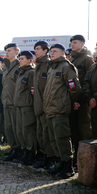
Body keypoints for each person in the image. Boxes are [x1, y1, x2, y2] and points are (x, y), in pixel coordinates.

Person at [43, 43, 81, 178]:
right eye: (51, 51)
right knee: (54, 139)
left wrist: (68, 102)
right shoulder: (52, 67)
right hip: (50, 108)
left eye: (55, 51)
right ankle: (60, 162)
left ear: (62, 53)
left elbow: (74, 88)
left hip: (60, 109)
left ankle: (68, 166)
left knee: (62, 138)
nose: (51, 53)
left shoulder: (66, 67)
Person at [68, 35, 94, 161]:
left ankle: (86, 158)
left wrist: (86, 98)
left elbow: (89, 80)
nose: (72, 45)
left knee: (84, 128)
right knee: (74, 129)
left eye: (75, 42)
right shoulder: (71, 60)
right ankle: (77, 156)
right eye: (71, 43)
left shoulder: (87, 59)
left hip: (83, 101)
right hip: (73, 101)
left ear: (82, 44)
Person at [32, 41, 56, 169]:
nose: (35, 51)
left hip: (46, 106)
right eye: (35, 49)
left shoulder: (48, 64)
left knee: (47, 133)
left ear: (45, 51)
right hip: (38, 105)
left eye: (38, 49)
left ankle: (50, 158)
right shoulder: (38, 65)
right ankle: (44, 156)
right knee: (41, 133)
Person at [13, 51, 36, 165]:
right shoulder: (21, 72)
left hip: (27, 106)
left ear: (29, 60)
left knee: (28, 130)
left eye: (22, 58)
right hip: (19, 105)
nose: (20, 60)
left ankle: (30, 152)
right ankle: (24, 151)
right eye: (19, 58)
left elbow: (33, 91)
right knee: (20, 130)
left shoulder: (31, 73)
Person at [1, 43, 21, 161]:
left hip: (15, 101)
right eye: (6, 51)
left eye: (9, 51)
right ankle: (13, 149)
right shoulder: (6, 66)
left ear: (16, 52)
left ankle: (19, 150)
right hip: (6, 101)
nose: (7, 53)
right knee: (8, 128)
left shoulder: (19, 66)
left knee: (16, 127)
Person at [83, 62, 97, 139]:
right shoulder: (93, 67)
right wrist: (89, 98)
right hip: (93, 104)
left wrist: (95, 99)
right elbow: (86, 82)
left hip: (94, 101)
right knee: (95, 131)